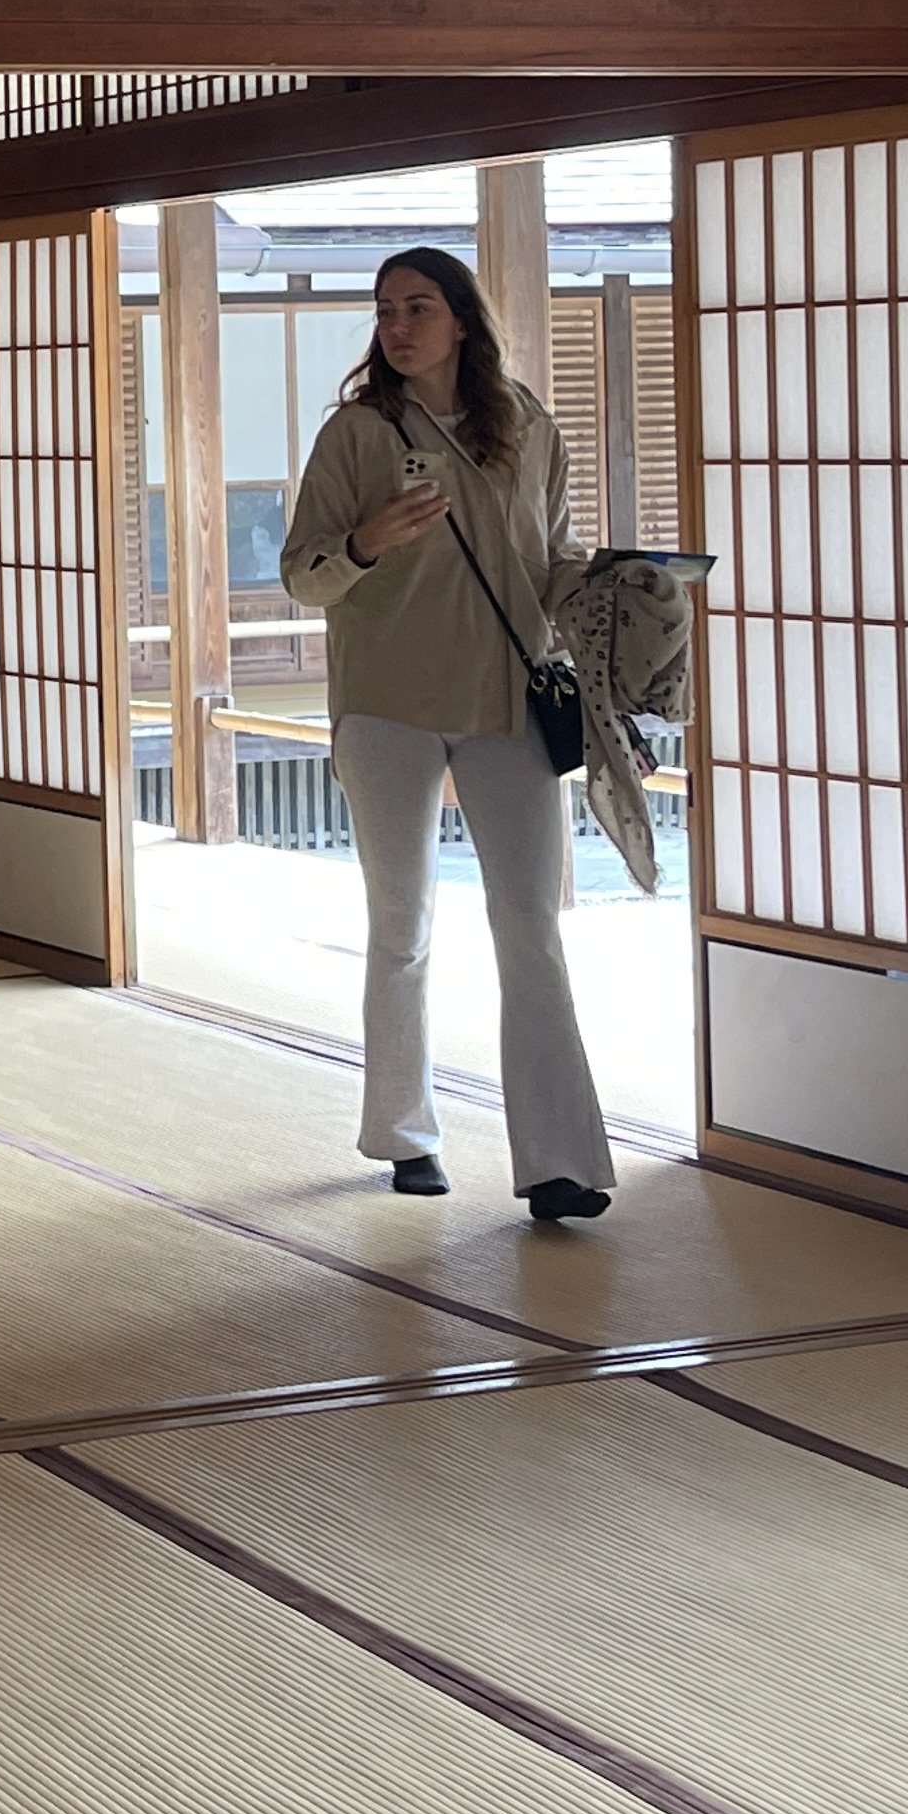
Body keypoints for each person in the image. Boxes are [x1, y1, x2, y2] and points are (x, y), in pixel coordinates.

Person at [276, 245, 618, 1226]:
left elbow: (551, 561)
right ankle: (405, 1133)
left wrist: (619, 590)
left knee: (531, 926)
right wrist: (368, 541)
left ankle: (558, 1161)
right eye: (386, 309)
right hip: (387, 701)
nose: (397, 326)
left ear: (462, 319)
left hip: (509, 697)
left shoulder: (528, 426)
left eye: (417, 307)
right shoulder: (357, 433)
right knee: (403, 923)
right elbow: (303, 573)